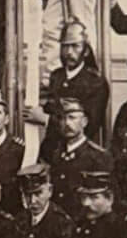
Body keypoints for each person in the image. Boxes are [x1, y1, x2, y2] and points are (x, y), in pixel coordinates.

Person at [38, 19, 110, 147]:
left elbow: (89, 126)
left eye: (75, 46)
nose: (69, 52)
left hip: (79, 154)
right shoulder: (57, 76)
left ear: (86, 51)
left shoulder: (96, 83)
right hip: (51, 151)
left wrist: (46, 120)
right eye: (65, 46)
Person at [40, 94, 112, 213]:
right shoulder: (56, 154)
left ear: (84, 122)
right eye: (62, 118)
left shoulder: (99, 157)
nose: (67, 123)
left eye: (72, 118)